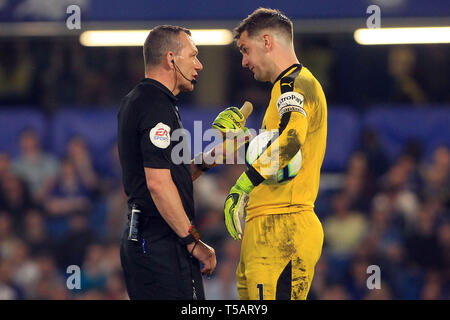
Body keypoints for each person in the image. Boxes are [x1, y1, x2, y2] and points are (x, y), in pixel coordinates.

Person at [214, 8, 327, 300]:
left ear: (266, 42)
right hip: (269, 229)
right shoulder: (283, 90)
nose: (244, 61)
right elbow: (281, 157)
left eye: (245, 50)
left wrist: (242, 186)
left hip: (283, 229)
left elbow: (290, 142)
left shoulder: (294, 85)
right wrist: (242, 138)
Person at [117, 25, 217, 300]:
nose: (199, 64)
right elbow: (158, 185)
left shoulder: (142, 100)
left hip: (149, 240)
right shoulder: (155, 106)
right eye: (193, 55)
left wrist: (209, 160)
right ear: (171, 59)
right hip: (159, 244)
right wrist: (193, 241)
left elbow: (169, 177)